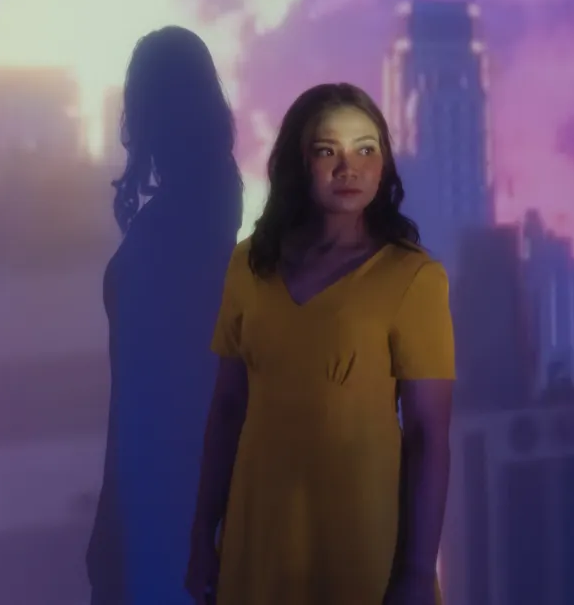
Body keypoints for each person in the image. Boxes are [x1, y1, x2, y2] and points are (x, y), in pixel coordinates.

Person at [185, 83, 455, 605]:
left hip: (364, 546)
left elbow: (428, 434)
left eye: (366, 149)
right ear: (297, 162)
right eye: (327, 150)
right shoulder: (248, 266)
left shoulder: (414, 277)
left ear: (384, 164)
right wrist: (201, 536)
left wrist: (419, 573)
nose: (348, 168)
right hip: (257, 540)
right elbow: (227, 408)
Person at [87, 27, 243, 604]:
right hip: (184, 486)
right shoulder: (212, 218)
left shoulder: (174, 233)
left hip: (168, 486)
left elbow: (137, 394)